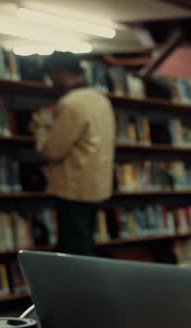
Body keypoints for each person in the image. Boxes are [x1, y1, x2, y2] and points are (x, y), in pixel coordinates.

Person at [32, 51, 115, 255]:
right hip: (97, 186)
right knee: (84, 243)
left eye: (51, 77)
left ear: (60, 73)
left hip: (74, 186)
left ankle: (77, 287)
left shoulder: (71, 103)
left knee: (73, 249)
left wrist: (41, 129)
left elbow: (53, 150)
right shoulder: (101, 100)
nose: (51, 82)